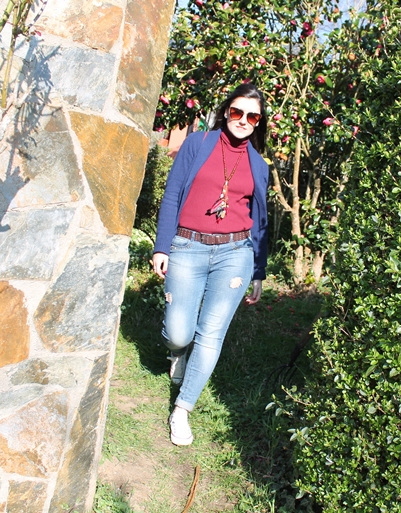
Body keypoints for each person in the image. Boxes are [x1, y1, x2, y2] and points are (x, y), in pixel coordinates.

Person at [151, 83, 269, 446]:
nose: (243, 120)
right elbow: (172, 194)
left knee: (211, 334)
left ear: (259, 122)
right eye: (237, 112)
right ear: (226, 112)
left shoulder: (259, 165)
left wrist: (258, 271)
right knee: (179, 333)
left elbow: (261, 222)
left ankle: (182, 409)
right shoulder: (197, 143)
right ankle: (178, 354)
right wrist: (162, 246)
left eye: (252, 116)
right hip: (187, 246)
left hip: (235, 254)